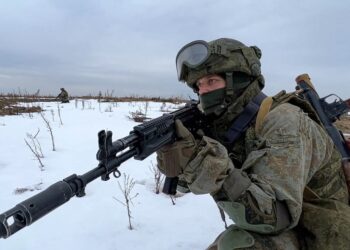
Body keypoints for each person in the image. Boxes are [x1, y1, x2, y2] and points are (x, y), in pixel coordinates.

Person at [156, 38, 350, 249]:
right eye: (199, 85)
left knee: (238, 244)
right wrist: (184, 162)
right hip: (293, 224)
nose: (203, 92)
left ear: (238, 80)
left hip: (325, 232)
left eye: (211, 81)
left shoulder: (284, 121)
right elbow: (187, 187)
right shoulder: (232, 123)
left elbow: (273, 218)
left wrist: (206, 165)